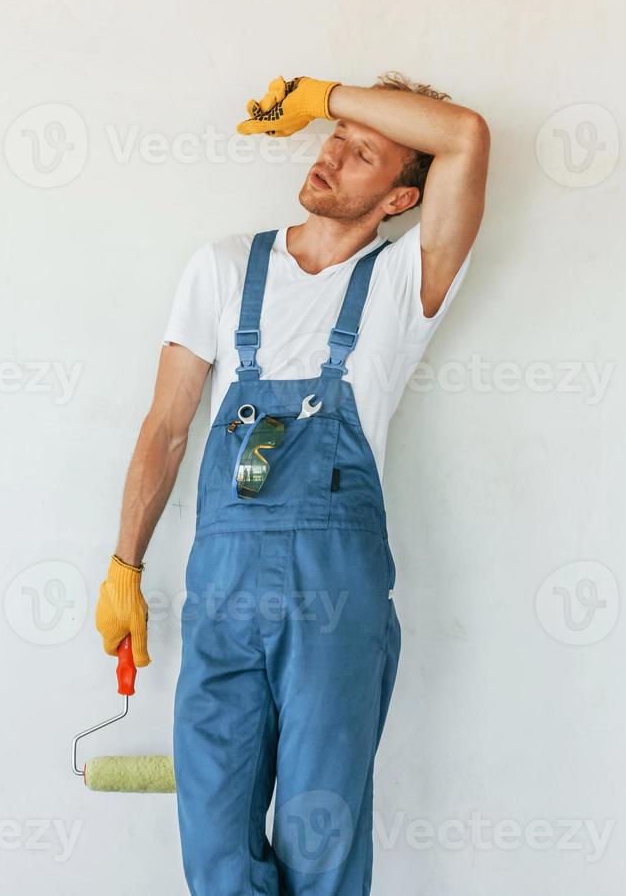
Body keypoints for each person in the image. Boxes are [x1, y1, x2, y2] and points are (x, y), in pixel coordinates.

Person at [92, 72, 490, 894]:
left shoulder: (402, 285)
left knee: (322, 843)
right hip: (223, 597)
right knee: (215, 848)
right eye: (330, 138)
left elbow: (466, 136)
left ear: (399, 198)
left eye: (362, 151)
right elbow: (166, 426)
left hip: (332, 605)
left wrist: (327, 93)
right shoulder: (224, 269)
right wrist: (125, 563)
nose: (333, 153)